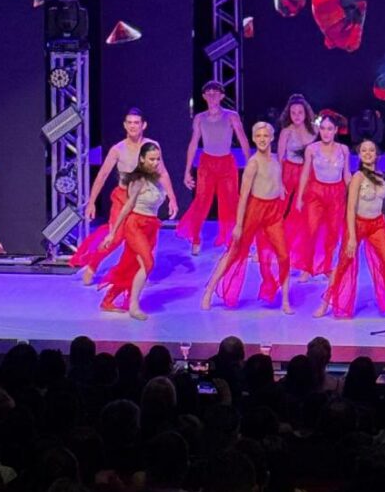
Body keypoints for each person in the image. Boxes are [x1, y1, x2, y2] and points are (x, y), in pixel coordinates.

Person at [72, 108, 176, 284]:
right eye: (129, 123)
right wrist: (91, 202)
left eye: (136, 123)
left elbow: (162, 173)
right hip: (123, 198)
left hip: (143, 200)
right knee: (116, 236)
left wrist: (172, 198)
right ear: (125, 125)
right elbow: (102, 175)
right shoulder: (117, 149)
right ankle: (92, 265)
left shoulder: (152, 146)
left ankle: (137, 274)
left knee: (142, 239)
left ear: (143, 125)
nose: (133, 126)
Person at [200, 122, 293, 314]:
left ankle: (285, 300)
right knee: (235, 251)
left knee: (284, 255)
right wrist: (239, 224)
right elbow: (243, 196)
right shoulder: (253, 163)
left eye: (265, 136)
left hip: (273, 212)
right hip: (255, 210)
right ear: (253, 138)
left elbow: (276, 182)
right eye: (258, 136)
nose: (262, 139)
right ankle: (209, 290)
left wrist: (280, 190)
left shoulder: (275, 161)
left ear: (271, 138)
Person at [314, 140, 385, 319]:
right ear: (359, 155)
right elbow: (350, 208)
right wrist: (352, 237)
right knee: (344, 263)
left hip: (378, 224)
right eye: (364, 151)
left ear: (376, 154)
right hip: (358, 224)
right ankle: (325, 302)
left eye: (371, 150)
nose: (368, 153)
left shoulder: (380, 176)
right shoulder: (358, 177)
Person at [176, 80, 251, 254]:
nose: (212, 96)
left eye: (215, 93)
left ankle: (232, 240)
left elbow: (242, 138)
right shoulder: (200, 118)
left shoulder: (231, 116)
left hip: (226, 164)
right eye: (208, 94)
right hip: (207, 164)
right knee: (201, 201)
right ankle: (195, 238)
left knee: (230, 202)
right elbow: (193, 143)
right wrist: (187, 170)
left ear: (222, 96)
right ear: (203, 96)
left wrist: (250, 163)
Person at [96, 142, 168, 320]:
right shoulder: (138, 180)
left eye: (158, 159)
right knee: (148, 263)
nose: (155, 162)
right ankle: (134, 306)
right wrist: (113, 233)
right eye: (151, 159)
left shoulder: (155, 178)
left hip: (150, 226)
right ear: (142, 159)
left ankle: (108, 300)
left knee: (131, 265)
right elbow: (127, 207)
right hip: (136, 225)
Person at [293, 114, 350, 282]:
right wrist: (299, 198)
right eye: (323, 128)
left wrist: (354, 194)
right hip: (316, 193)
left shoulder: (343, 149)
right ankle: (307, 268)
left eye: (330, 129)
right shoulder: (312, 149)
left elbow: (346, 174)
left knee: (333, 232)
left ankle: (327, 267)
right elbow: (305, 173)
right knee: (311, 230)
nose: (326, 132)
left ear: (336, 130)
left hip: (337, 194)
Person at [276, 93, 316, 245]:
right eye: (293, 113)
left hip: (308, 172)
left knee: (301, 207)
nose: (297, 116)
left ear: (306, 113)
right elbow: (280, 158)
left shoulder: (315, 129)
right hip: (289, 171)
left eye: (300, 112)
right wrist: (279, 183)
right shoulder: (286, 131)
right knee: (280, 206)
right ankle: (273, 241)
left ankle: (296, 242)